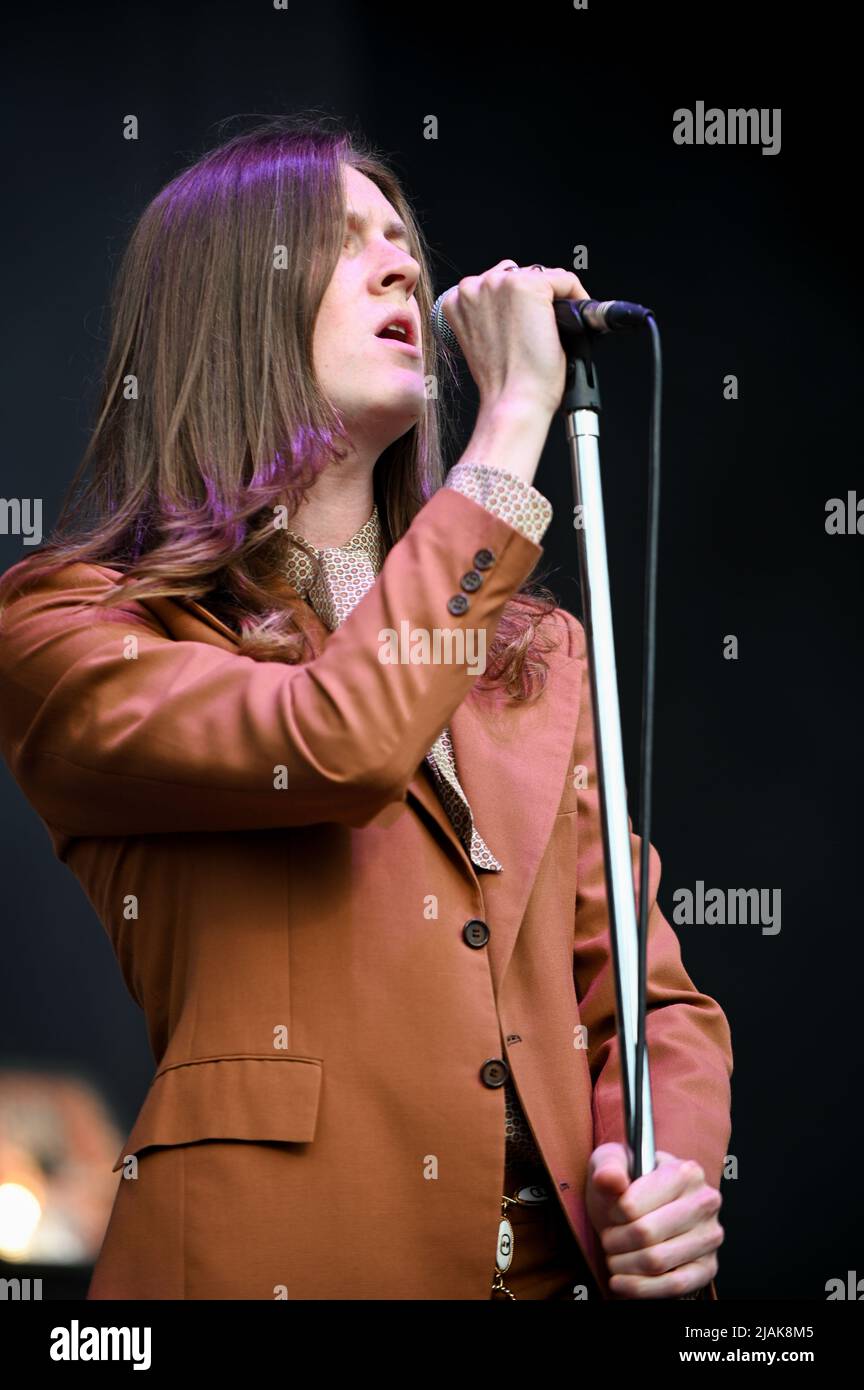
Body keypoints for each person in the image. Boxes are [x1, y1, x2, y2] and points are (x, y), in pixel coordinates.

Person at [0, 115, 732, 1300]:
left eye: (404, 238)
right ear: (230, 301)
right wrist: (509, 434)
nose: (404, 263)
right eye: (344, 242)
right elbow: (335, 743)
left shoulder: (531, 649)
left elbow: (651, 1000)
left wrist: (668, 1178)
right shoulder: (74, 629)